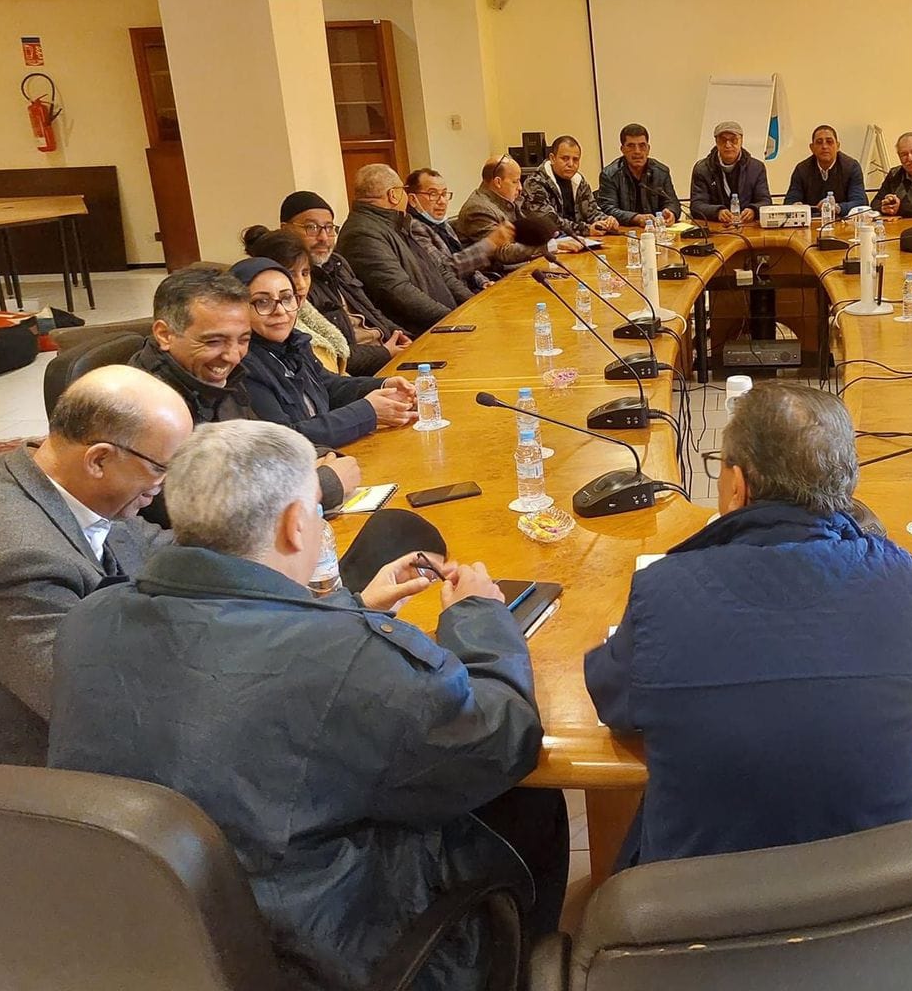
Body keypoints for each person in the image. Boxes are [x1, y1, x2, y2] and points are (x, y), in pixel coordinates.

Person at [47, 420, 566, 991]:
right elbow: (503, 736)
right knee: (530, 799)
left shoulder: (89, 619)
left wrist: (350, 608)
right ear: (296, 524)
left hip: (150, 940)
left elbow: (240, 660)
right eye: (319, 509)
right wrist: (480, 616)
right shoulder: (349, 657)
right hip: (312, 952)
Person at [585, 384, 912, 866]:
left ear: (737, 485)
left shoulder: (662, 590)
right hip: (883, 896)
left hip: (704, 904)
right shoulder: (906, 580)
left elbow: (614, 704)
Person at [0, 366, 188, 765]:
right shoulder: (12, 562)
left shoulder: (56, 479)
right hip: (35, 774)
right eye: (161, 468)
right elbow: (98, 709)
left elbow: (154, 545)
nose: (164, 485)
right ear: (99, 460)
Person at [128, 266, 360, 511]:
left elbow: (264, 443)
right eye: (214, 341)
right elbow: (186, 511)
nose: (233, 356)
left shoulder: (216, 377)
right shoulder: (145, 407)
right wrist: (320, 486)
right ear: (165, 335)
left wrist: (320, 457)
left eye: (243, 340)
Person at [232, 256, 417, 450]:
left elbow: (328, 385)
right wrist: (368, 413)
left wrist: (384, 386)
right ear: (236, 308)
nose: (280, 311)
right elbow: (284, 441)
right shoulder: (239, 364)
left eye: (286, 298)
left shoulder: (294, 342)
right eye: (262, 302)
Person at [280, 191, 412, 378]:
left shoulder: (337, 263)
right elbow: (329, 355)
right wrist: (385, 353)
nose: (324, 238)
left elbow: (370, 310)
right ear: (285, 229)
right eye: (312, 227)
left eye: (329, 228)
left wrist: (400, 335)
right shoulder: (289, 282)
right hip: (359, 374)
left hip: (388, 352)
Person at [335, 163, 473, 336]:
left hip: (445, 323)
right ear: (393, 195)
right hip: (422, 333)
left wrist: (472, 304)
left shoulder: (396, 224)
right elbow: (398, 292)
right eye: (403, 190)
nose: (405, 195)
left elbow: (439, 271)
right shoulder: (362, 233)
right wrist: (452, 319)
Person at [241, 225, 353, 373]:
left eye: (305, 273)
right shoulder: (271, 336)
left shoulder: (304, 314)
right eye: (291, 273)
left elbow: (327, 380)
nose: (301, 284)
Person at [456, 155, 582, 269]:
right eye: (515, 182)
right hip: (497, 278)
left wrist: (552, 240)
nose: (520, 188)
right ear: (498, 182)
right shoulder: (478, 209)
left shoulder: (507, 201)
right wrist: (553, 246)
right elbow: (503, 253)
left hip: (520, 268)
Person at [405, 167, 512, 293]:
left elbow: (464, 261)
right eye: (433, 194)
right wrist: (489, 244)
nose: (442, 201)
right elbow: (445, 270)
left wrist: (483, 282)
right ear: (413, 199)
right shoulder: (414, 228)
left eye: (444, 194)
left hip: (471, 289)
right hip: (452, 296)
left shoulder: (442, 224)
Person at [520, 135, 619, 237]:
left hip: (578, 240)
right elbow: (548, 222)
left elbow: (592, 212)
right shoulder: (535, 182)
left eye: (575, 159)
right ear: (552, 158)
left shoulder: (579, 181)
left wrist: (607, 221)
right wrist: (586, 230)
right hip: (546, 241)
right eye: (565, 158)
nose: (571, 164)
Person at [597, 123, 680, 226]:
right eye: (631, 146)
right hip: (624, 232)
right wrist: (636, 218)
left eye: (642, 146)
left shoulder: (661, 172)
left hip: (656, 231)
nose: (637, 151)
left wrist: (671, 212)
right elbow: (607, 209)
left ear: (648, 149)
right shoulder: (609, 175)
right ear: (622, 150)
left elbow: (672, 202)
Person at [689, 120, 771, 224]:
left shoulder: (756, 168)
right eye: (723, 140)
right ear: (716, 142)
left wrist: (754, 210)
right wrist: (717, 212)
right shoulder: (702, 169)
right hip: (715, 226)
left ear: (741, 141)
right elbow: (696, 206)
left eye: (733, 140)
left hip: (748, 225)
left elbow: (765, 201)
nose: (728, 145)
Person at [784, 123, 866, 213]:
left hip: (842, 218)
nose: (824, 146)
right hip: (811, 219)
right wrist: (795, 206)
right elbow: (790, 201)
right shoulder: (801, 170)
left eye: (829, 142)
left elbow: (860, 202)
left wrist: (837, 208)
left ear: (838, 146)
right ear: (812, 148)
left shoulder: (851, 167)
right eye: (819, 142)